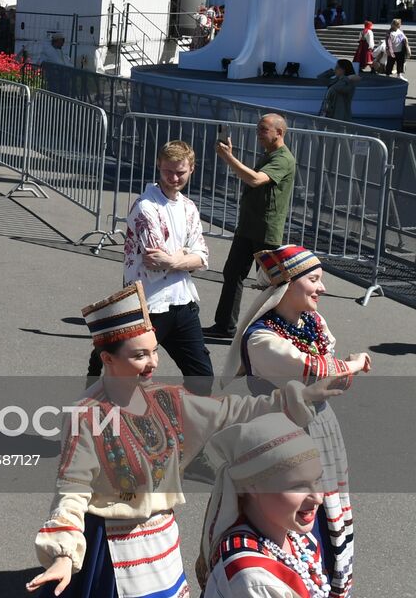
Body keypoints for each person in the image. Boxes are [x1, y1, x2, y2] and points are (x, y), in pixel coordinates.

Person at [27, 282, 341, 598]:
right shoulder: (87, 416)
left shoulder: (165, 399)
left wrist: (300, 396)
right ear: (107, 359)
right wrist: (64, 554)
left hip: (163, 542)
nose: (152, 363)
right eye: (139, 355)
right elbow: (72, 490)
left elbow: (231, 411)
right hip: (113, 551)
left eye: (154, 351)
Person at [223, 246, 369, 597]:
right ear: (286, 285)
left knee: (324, 505)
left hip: (319, 427)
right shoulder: (261, 339)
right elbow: (317, 371)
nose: (321, 288)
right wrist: (354, 363)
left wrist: (342, 371)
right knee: (285, 514)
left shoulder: (313, 322)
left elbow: (333, 382)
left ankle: (325, 582)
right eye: (314, 280)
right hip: (282, 435)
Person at [92, 140, 213, 393]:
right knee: (126, 374)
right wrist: (185, 256)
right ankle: (94, 414)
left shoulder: (189, 208)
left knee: (202, 377)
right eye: (168, 171)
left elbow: (202, 257)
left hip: (183, 302)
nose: (174, 177)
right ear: (158, 166)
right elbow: (154, 263)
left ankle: (182, 425)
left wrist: (174, 259)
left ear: (192, 169)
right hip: (148, 304)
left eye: (181, 172)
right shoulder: (146, 207)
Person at [195, 416, 332, 598]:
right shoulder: (252, 577)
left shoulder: (295, 536)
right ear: (252, 485)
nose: (318, 498)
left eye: (318, 480)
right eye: (298, 486)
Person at [205, 114, 296, 340]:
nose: (258, 134)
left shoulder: (283, 159)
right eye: (258, 129)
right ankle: (225, 326)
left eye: (263, 130)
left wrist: (228, 158)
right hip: (248, 227)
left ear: (279, 133)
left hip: (266, 230)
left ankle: (278, 332)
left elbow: (255, 180)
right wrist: (230, 156)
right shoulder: (270, 155)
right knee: (233, 273)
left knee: (272, 285)